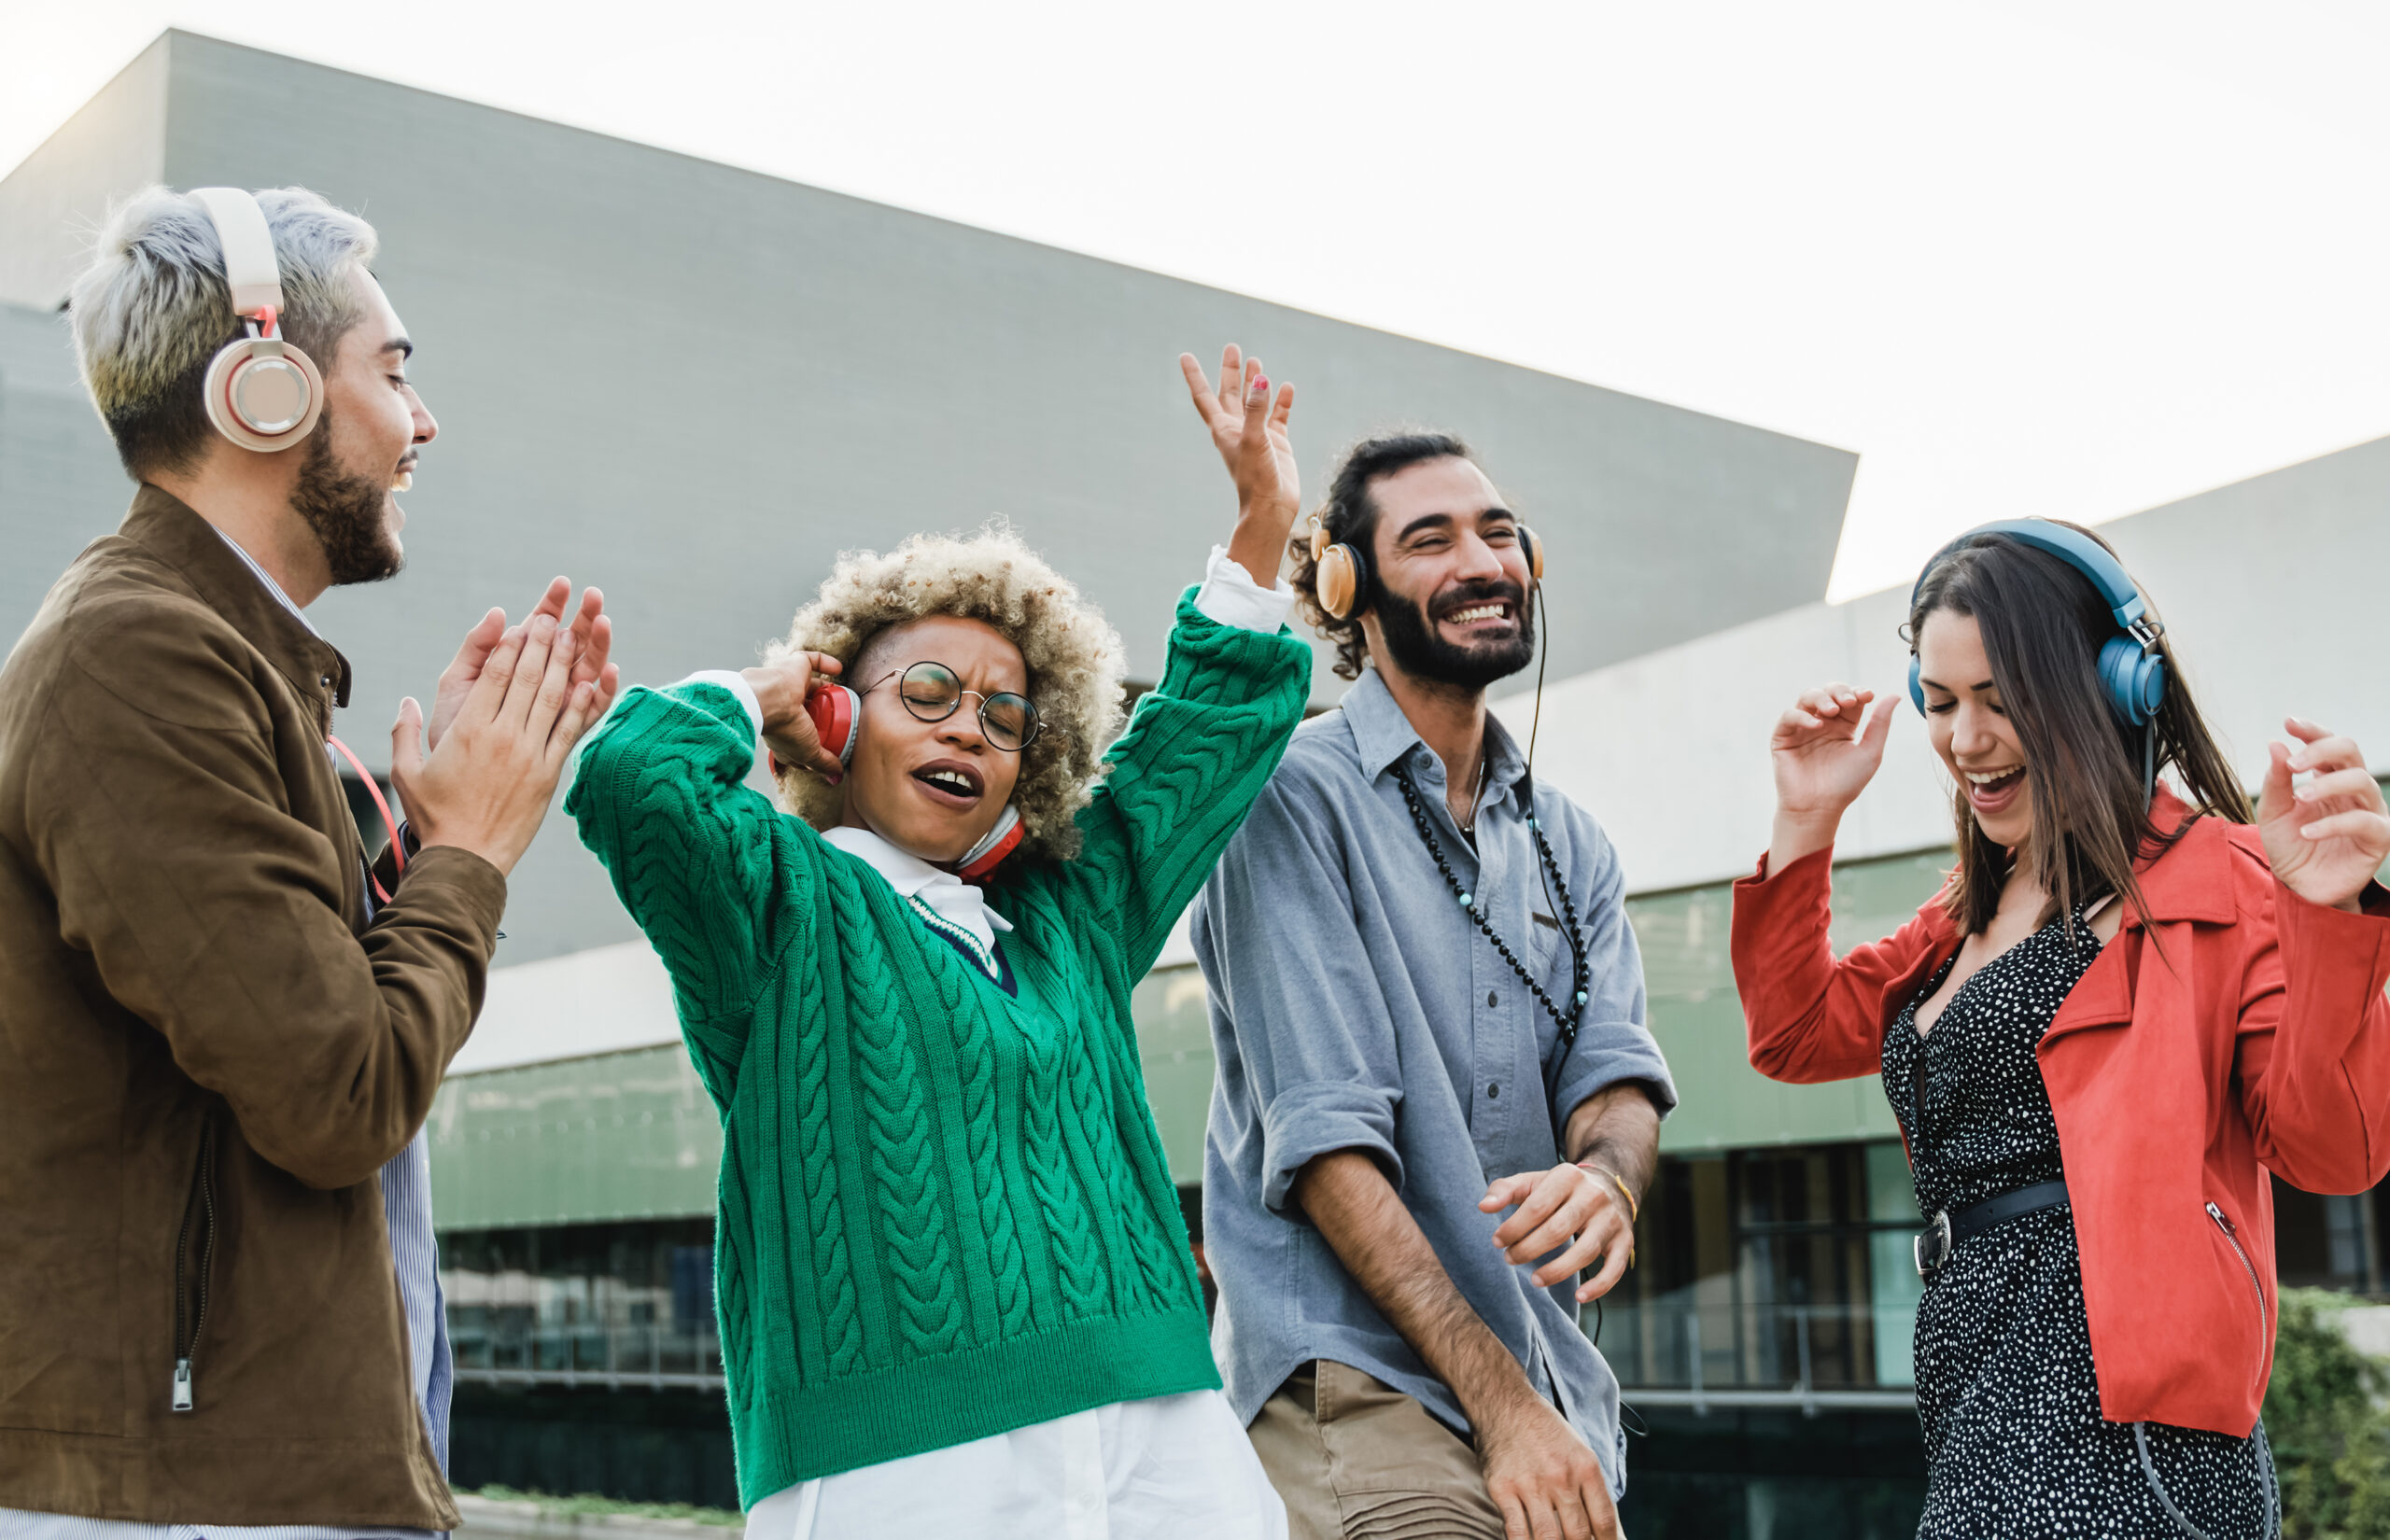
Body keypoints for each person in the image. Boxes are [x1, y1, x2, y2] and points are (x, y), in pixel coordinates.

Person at [565, 346, 1312, 1537]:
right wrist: (769, 693)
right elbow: (632, 780)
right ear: (839, 713)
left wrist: (1263, 521)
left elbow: (1197, 740)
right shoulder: (776, 901)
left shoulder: (1067, 910)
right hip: (897, 1458)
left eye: (1005, 714)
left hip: (1166, 1428)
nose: (969, 722)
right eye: (924, 691)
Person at [0, 186, 617, 1533]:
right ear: (265, 388)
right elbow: (339, 1093)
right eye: (394, 373)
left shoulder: (229, 671)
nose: (424, 421)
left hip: (239, 1476)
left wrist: (421, 850)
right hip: (181, 1493)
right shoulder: (138, 658)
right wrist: (467, 850)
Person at [1733, 518, 2390, 1537]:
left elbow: (2333, 1147)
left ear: (2119, 685)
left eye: (2003, 701)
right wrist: (1804, 823)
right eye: (1941, 702)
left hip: (2127, 1426)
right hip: (1973, 1390)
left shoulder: (2224, 871)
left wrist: (2324, 922)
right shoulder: (1964, 910)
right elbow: (1796, 1033)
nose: (1965, 739)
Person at [1193, 430, 1674, 1540]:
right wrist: (1504, 1415)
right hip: (1358, 1385)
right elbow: (1328, 1148)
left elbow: (1618, 1077)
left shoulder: (1573, 842)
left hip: (1550, 1394)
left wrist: (1607, 1179)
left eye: (1498, 531)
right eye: (1430, 538)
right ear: (1346, 586)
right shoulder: (1287, 804)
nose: (1481, 559)